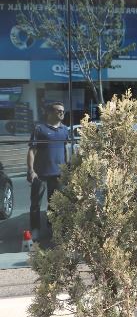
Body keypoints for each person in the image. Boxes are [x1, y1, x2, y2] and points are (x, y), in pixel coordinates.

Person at [27, 101, 69, 242]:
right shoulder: (40, 129)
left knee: (54, 204)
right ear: (50, 113)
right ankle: (35, 229)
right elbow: (32, 151)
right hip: (40, 175)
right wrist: (31, 170)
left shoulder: (65, 129)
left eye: (63, 111)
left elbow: (65, 149)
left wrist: (66, 169)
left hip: (58, 174)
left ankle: (52, 228)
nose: (62, 113)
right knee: (35, 205)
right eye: (58, 111)